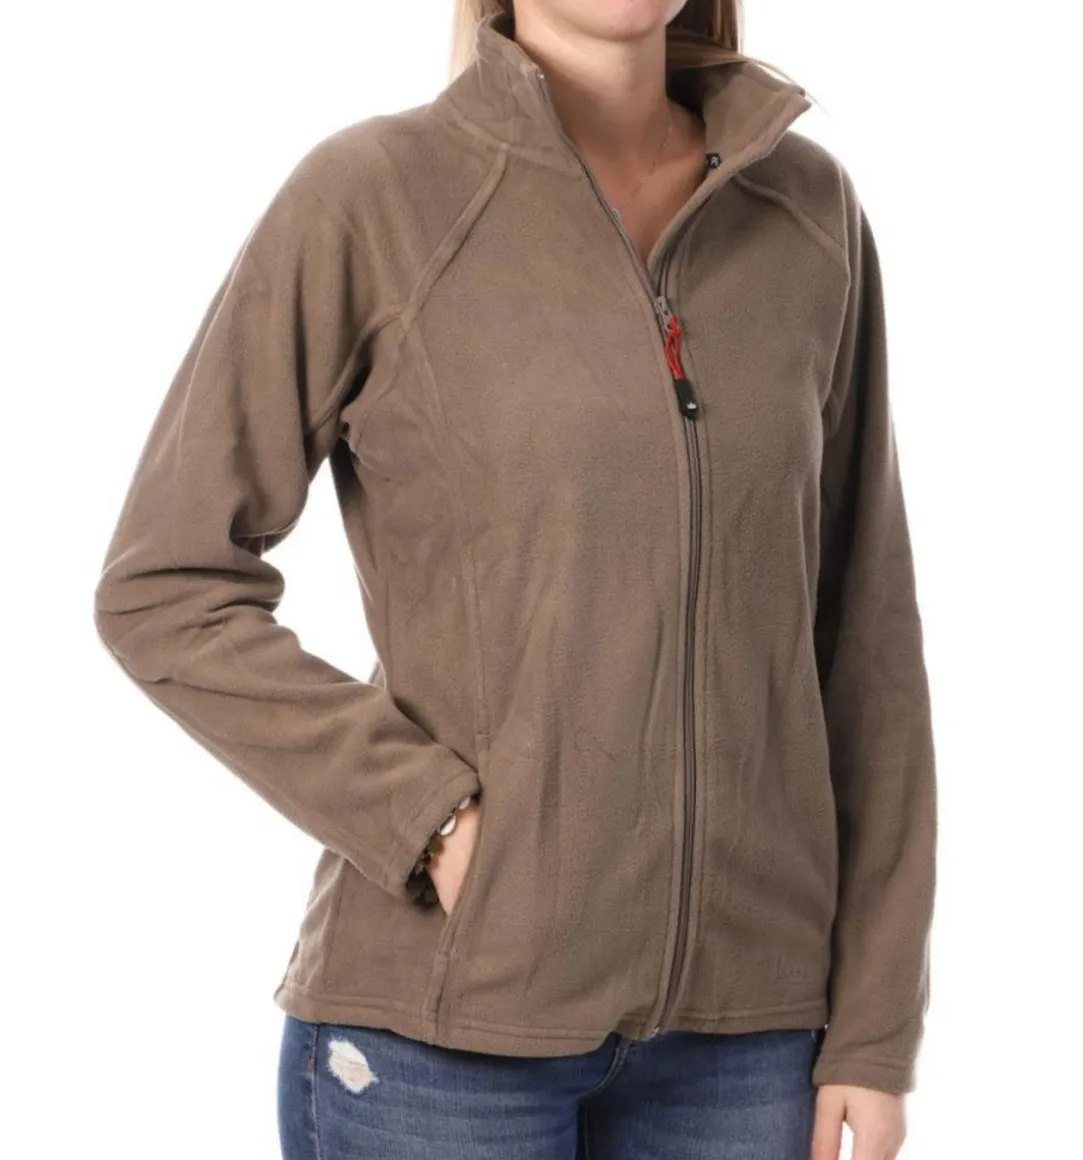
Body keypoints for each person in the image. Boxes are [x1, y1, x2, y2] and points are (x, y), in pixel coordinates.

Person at [92, 1, 938, 1157]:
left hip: (748, 1042)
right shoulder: (373, 199)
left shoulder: (803, 209)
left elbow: (864, 633)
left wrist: (874, 1024)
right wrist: (425, 814)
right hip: (440, 1040)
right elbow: (164, 585)